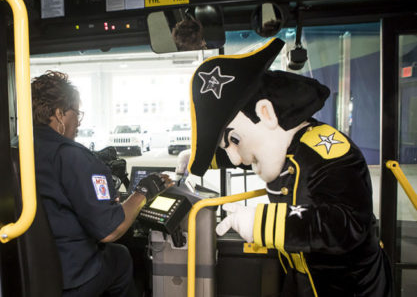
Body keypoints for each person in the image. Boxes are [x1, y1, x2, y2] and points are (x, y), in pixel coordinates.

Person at [186, 38, 393, 296]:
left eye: (234, 141)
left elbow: (346, 225)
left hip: (350, 288)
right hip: (300, 278)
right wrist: (199, 157)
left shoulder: (328, 153)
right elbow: (243, 154)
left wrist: (263, 222)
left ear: (266, 113)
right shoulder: (282, 145)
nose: (237, 159)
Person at [31, 71, 170, 297]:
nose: (78, 121)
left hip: (30, 271)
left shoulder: (18, 148)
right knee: (121, 256)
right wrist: (144, 192)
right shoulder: (72, 156)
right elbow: (110, 230)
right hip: (72, 276)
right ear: (59, 114)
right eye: (76, 113)